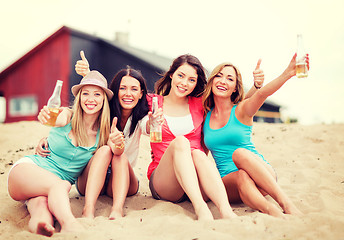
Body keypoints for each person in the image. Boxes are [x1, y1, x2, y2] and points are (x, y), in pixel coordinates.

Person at [37, 51, 157, 220]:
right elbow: (90, 99)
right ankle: (89, 209)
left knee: (119, 156)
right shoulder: (102, 111)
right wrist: (47, 139)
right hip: (92, 178)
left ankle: (117, 209)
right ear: (115, 92)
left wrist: (154, 123)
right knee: (105, 151)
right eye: (122, 88)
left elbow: (149, 127)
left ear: (141, 94)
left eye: (134, 89)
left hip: (123, 180)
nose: (128, 93)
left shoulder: (141, 118)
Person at [202, 53, 309, 218]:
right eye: (219, 75)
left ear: (236, 87)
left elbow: (261, 94)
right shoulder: (205, 116)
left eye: (230, 79)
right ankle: (270, 210)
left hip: (262, 175)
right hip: (229, 182)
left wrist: (287, 73)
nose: (223, 81)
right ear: (212, 80)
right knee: (241, 176)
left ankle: (286, 203)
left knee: (240, 153)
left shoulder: (242, 109)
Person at [7, 70, 113, 236]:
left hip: (48, 190)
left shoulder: (103, 134)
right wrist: (47, 118)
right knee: (61, 185)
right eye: (85, 93)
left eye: (97, 94)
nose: (90, 99)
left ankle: (41, 228)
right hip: (29, 171)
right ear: (79, 98)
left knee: (41, 208)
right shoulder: (68, 115)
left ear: (104, 100)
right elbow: (59, 119)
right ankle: (69, 224)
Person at [147, 54, 239, 221]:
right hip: (166, 183)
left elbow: (235, 103)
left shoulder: (200, 104)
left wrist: (257, 86)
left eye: (191, 80)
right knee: (182, 142)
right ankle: (200, 208)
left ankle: (225, 210)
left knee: (197, 153)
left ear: (197, 83)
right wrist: (88, 76)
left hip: (195, 181)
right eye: (180, 76)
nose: (184, 83)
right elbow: (119, 101)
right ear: (171, 74)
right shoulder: (152, 102)